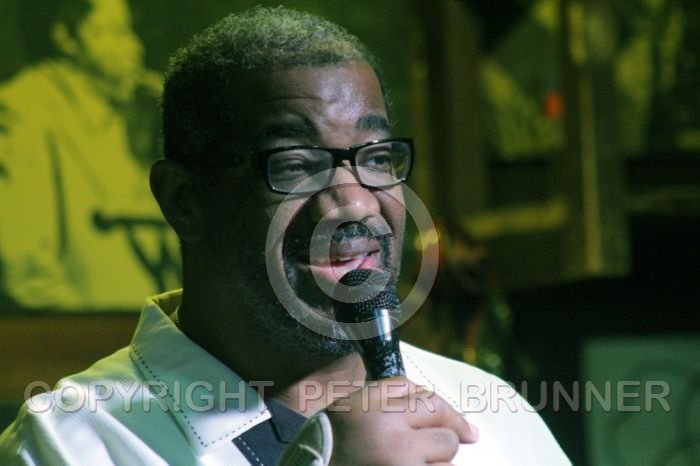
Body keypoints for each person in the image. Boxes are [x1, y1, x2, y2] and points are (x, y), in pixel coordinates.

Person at [0, 6, 571, 465]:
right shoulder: (71, 442)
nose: (355, 201)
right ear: (184, 200)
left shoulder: (491, 412)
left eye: (376, 157)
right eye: (296, 165)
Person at [0, 0, 178, 309]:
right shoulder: (21, 111)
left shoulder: (134, 110)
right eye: (116, 32)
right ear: (66, 36)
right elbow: (27, 271)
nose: (135, 48)